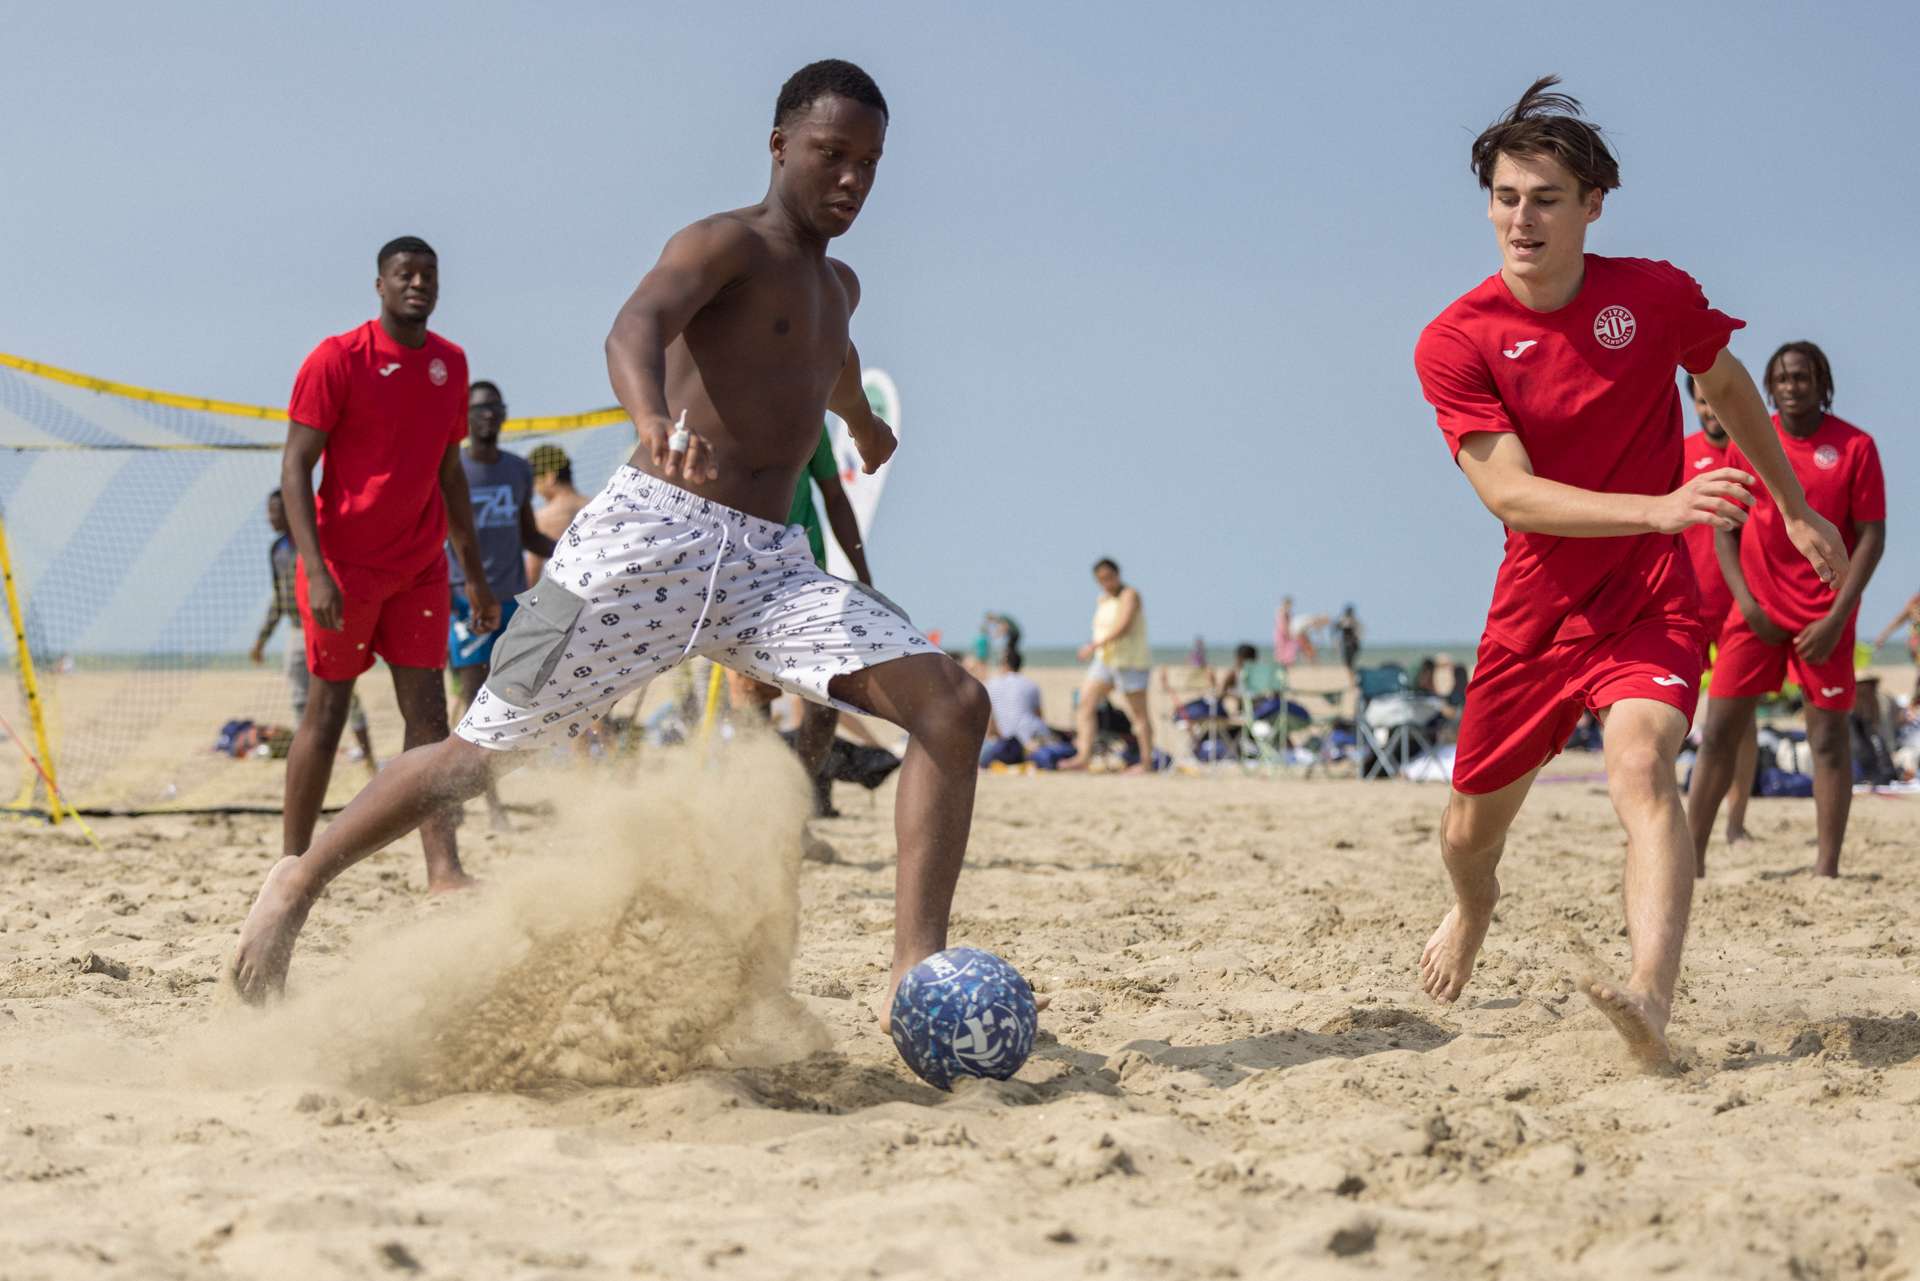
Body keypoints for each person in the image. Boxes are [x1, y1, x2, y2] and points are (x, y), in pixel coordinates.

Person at [232, 61, 991, 1027]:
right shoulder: (726, 242)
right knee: (473, 756)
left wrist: (864, 426)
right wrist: (647, 417)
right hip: (645, 542)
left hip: (767, 569)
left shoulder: (838, 282)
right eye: (831, 155)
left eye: (870, 164)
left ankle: (911, 971)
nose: (851, 180)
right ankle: (297, 881)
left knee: (954, 706)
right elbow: (636, 322)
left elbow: (829, 358)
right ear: (779, 147)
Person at [1410, 79, 1847, 1067]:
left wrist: (1788, 500)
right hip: (1538, 606)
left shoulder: (1651, 295)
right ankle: (1473, 910)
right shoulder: (1456, 340)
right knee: (1465, 837)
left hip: (1652, 593)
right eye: (1507, 196)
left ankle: (1650, 1001)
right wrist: (1657, 506)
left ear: (1594, 204)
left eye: (1547, 198)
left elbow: (1724, 378)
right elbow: (1512, 497)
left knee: (1643, 765)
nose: (1522, 218)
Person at [274, 236, 496, 887]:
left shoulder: (450, 364)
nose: (419, 284)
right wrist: (315, 570)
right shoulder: (338, 358)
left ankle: (443, 866)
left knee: (428, 715)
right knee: (328, 710)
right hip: (342, 566)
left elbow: (451, 474)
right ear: (380, 284)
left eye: (429, 274)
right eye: (406, 274)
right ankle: (290, 866)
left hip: (420, 568)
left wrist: (475, 576)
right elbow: (293, 468)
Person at [1688, 342, 1886, 877]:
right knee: (1720, 735)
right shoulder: (1749, 441)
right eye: (1779, 379)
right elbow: (1725, 528)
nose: (1790, 387)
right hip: (1754, 615)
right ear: (1768, 388)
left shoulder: (1855, 447)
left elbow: (1871, 537)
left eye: (1801, 377)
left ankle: (1827, 868)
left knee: (1828, 740)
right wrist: (1747, 605)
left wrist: (1838, 617)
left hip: (1824, 618)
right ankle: (1692, 861)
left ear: (1823, 384)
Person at [732, 422, 876, 817]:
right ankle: (765, 808)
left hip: (805, 575)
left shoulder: (807, 417)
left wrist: (863, 573)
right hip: (743, 581)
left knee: (826, 698)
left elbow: (834, 493)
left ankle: (799, 794)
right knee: (753, 706)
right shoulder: (728, 414)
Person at [447, 380, 557, 829]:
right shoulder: (452, 467)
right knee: (473, 697)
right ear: (465, 417)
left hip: (512, 598)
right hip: (465, 600)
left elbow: (528, 534)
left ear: (505, 413)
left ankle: (459, 787)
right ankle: (485, 802)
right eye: (479, 408)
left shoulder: (516, 469)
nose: (488, 415)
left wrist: (576, 551)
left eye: (495, 407)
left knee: (504, 698)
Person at [248, 489, 376, 772]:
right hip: (296, 630)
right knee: (299, 697)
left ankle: (368, 758)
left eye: (275, 511)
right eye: (269, 511)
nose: (270, 517)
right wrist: (262, 639)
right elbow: (279, 597)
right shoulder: (277, 550)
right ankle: (308, 764)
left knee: (345, 694)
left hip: (324, 627)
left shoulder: (319, 543)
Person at [1681, 373, 1756, 843]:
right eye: (1702, 401)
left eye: (1716, 400)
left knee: (1737, 722)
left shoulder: (1753, 454)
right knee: (1668, 714)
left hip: (1737, 609)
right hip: (1682, 605)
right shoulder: (1678, 452)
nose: (1711, 410)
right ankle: (1665, 817)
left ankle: (1736, 820)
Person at [1061, 558, 1155, 773]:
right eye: (1101, 579)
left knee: (1138, 713)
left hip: (1130, 661)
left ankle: (1146, 761)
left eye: (1109, 577)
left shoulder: (1130, 594)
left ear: (1117, 574)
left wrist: (1093, 646)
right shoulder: (1102, 599)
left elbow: (1123, 626)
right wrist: (1096, 646)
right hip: (1105, 660)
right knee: (1085, 703)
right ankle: (1083, 755)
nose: (1106, 582)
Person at [524, 443, 590, 586]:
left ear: (550, 477)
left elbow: (532, 573)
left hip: (567, 593)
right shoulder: (596, 505)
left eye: (536, 482)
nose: (536, 490)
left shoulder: (543, 518)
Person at [979, 650, 1060, 766]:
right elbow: (1039, 716)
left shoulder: (991, 684)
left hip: (1009, 742)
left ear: (1005, 665)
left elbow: (991, 722)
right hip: (1034, 735)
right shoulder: (1031, 684)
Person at [1870, 590, 1920, 716]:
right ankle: (1913, 707)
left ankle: (1913, 706)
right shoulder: (1915, 602)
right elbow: (1900, 619)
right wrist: (1883, 636)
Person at [1336, 604, 1363, 673]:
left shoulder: (1355, 621)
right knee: (1347, 661)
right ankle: (1350, 672)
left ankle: (1351, 672)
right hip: (1346, 643)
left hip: (1352, 643)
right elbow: (1336, 628)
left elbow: (1359, 632)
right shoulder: (1343, 620)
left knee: (1351, 661)